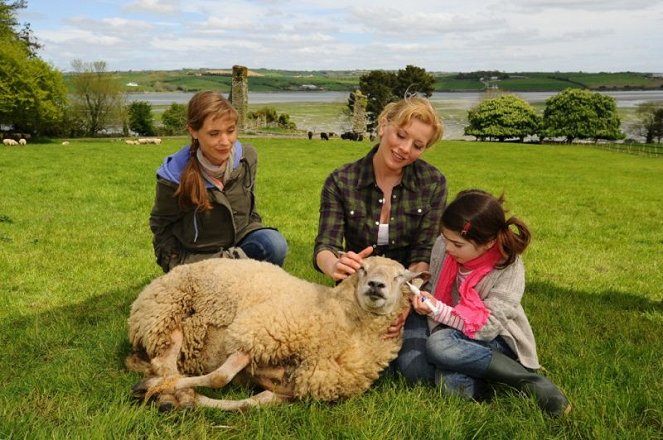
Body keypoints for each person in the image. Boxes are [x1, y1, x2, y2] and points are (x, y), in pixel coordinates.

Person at [410, 189, 571, 416]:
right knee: (451, 386)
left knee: (439, 345)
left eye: (457, 244)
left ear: (488, 243)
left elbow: (488, 327)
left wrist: (437, 310)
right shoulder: (443, 246)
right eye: (445, 239)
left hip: (494, 337)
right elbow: (435, 284)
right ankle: (490, 375)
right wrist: (421, 294)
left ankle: (526, 380)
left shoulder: (508, 267)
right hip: (454, 333)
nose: (447, 248)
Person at [313, 95, 446, 348]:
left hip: (403, 291)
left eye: (418, 145)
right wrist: (334, 265)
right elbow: (325, 246)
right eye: (401, 135)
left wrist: (405, 303)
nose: (405, 149)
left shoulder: (433, 183)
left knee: (412, 368)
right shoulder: (341, 181)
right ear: (384, 125)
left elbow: (423, 253)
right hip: (357, 287)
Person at [150, 90, 287, 272]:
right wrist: (177, 265)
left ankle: (248, 289)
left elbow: (251, 211)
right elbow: (161, 229)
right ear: (193, 131)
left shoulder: (247, 157)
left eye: (230, 131)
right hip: (199, 256)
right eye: (214, 133)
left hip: (239, 247)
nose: (225, 141)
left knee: (274, 244)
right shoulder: (173, 176)